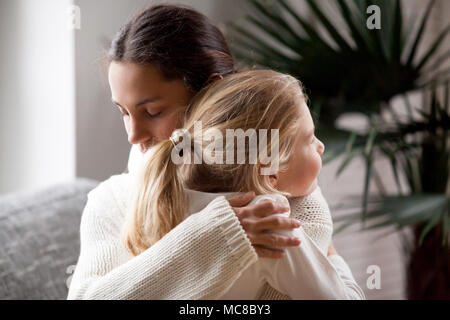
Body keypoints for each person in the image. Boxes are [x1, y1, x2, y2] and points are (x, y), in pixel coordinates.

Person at [67, 4, 358, 300]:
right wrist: (215, 237)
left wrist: (321, 237)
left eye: (153, 112)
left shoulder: (288, 189)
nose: (133, 136)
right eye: (124, 113)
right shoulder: (112, 201)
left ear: (210, 92)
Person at [125, 69, 364, 299]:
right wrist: (332, 255)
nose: (320, 146)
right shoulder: (268, 220)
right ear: (270, 169)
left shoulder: (167, 195)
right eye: (310, 139)